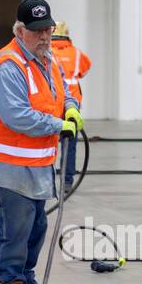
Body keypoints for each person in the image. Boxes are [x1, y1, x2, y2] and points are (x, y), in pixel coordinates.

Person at [0, 0, 83, 284]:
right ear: (19, 30)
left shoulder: (47, 60)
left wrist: (71, 108)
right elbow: (16, 116)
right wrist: (58, 125)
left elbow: (63, 93)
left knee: (34, 229)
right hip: (2, 165)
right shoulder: (9, 65)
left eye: (47, 28)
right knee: (11, 232)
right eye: (36, 31)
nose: (44, 36)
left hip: (33, 165)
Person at [50, 22, 92, 189]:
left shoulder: (46, 52)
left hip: (52, 102)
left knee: (47, 139)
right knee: (70, 142)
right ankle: (67, 180)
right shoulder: (76, 53)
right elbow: (85, 69)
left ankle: (45, 178)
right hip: (72, 104)